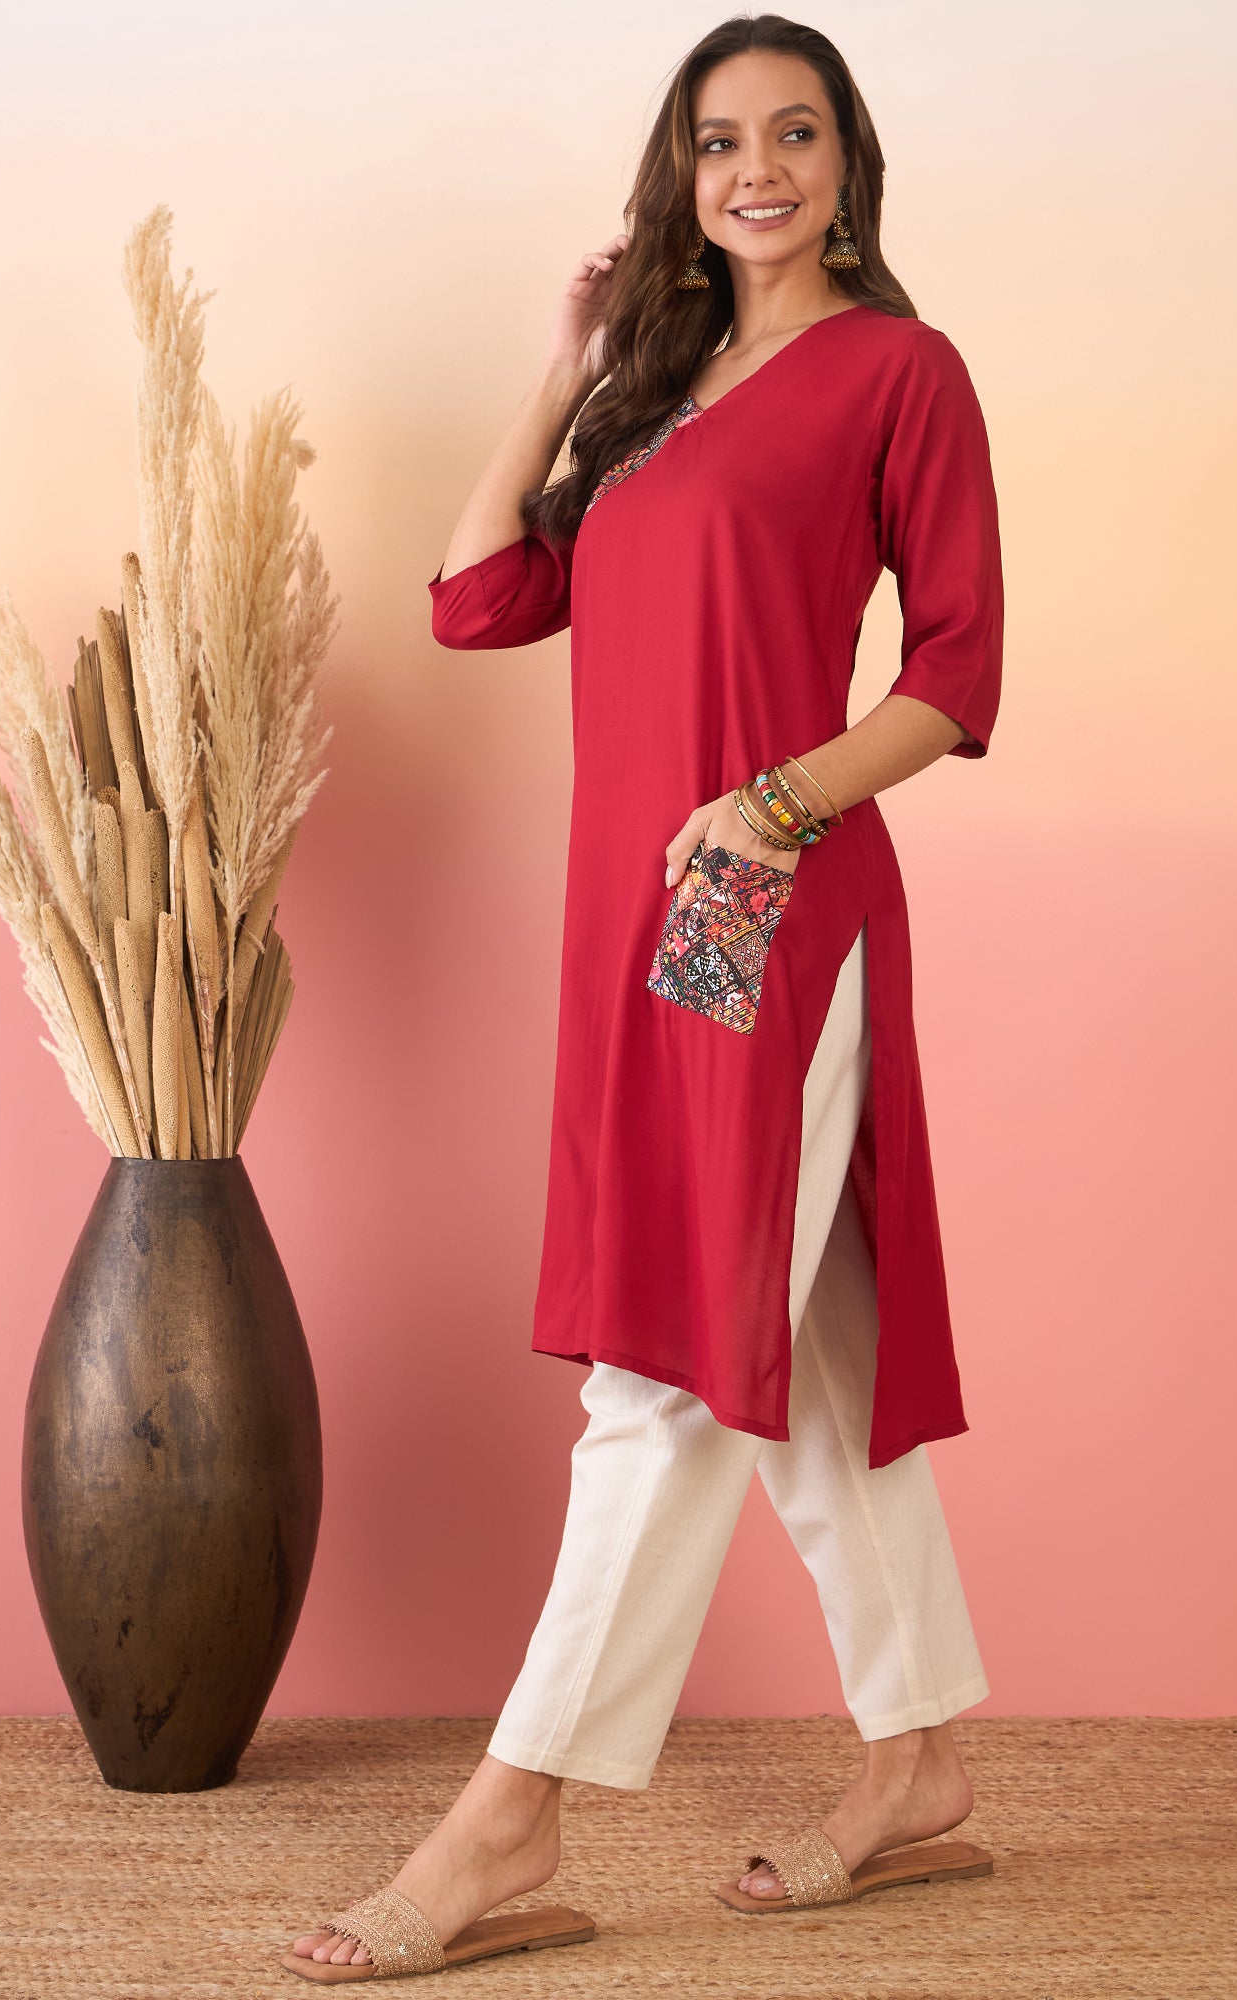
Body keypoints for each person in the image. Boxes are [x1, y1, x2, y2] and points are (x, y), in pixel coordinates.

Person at [282, 12, 1004, 1982]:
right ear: (681, 178)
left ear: (848, 162)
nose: (754, 168)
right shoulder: (662, 398)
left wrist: (773, 806)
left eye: (792, 132)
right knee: (809, 1353)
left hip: (758, 904)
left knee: (670, 1362)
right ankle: (920, 1754)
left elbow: (954, 675)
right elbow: (472, 596)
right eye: (716, 141)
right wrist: (573, 363)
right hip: (640, 924)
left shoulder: (900, 374)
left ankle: (512, 1814)